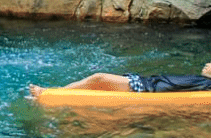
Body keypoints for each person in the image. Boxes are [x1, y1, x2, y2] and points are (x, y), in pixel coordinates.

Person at [29, 63, 211, 97]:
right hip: (145, 82)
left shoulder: (208, 84)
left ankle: (51, 92)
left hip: (144, 88)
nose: (207, 64)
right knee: (97, 83)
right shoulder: (202, 81)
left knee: (97, 78)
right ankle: (56, 92)